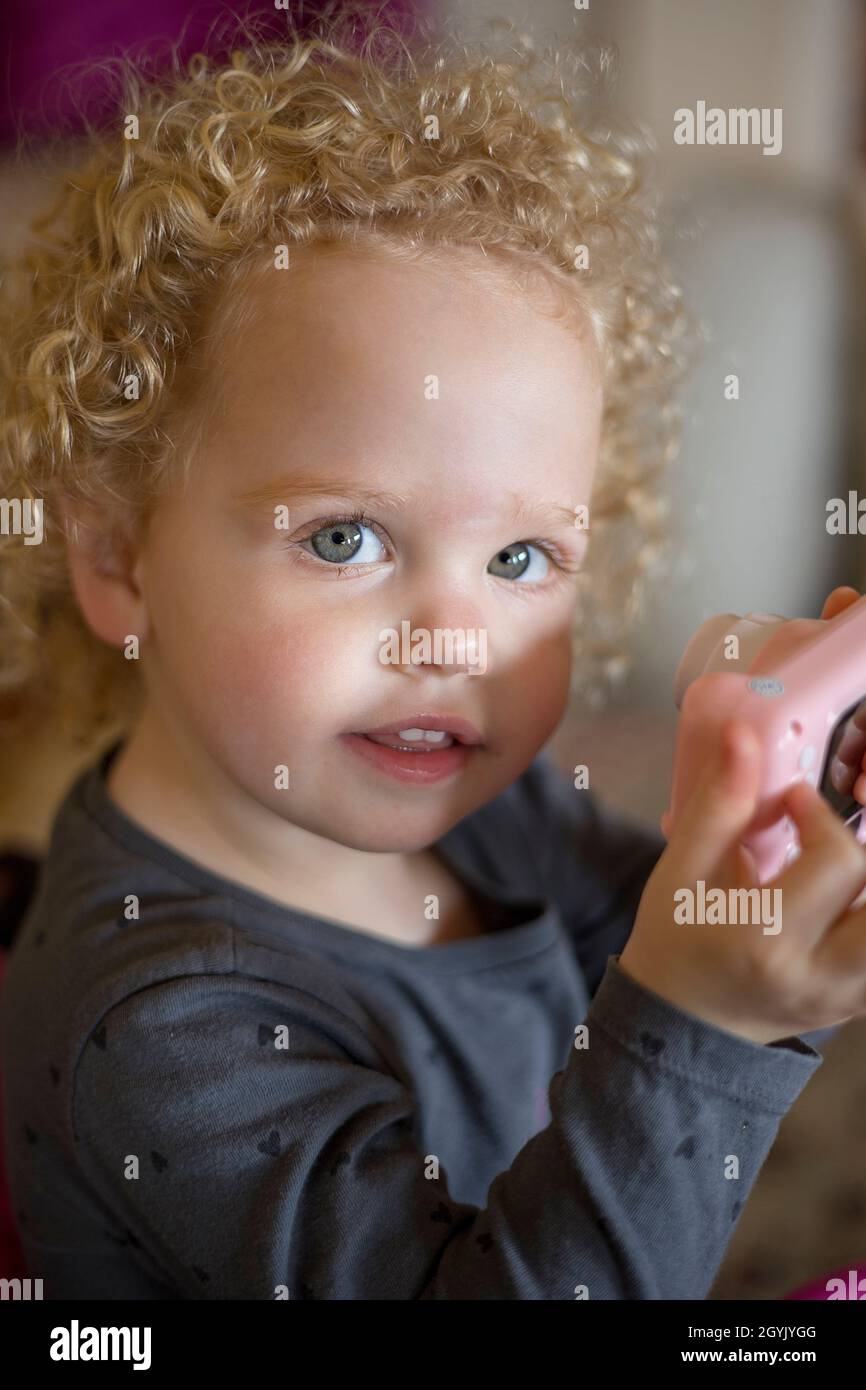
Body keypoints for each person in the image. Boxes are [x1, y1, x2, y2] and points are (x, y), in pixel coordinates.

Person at [2, 3, 864, 1300]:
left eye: (518, 559)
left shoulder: (468, 799)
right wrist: (706, 1024)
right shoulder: (160, 1025)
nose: (452, 636)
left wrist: (777, 829)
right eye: (345, 536)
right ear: (121, 559)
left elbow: (662, 933)